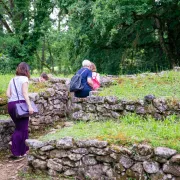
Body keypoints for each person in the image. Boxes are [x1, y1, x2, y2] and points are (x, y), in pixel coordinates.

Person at [6, 62, 34, 161]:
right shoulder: (24, 79)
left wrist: (14, 97)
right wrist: (30, 106)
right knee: (22, 129)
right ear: (26, 70)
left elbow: (8, 94)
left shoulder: (12, 79)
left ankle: (23, 151)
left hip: (11, 105)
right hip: (21, 105)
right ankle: (16, 151)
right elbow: (25, 93)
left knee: (21, 128)